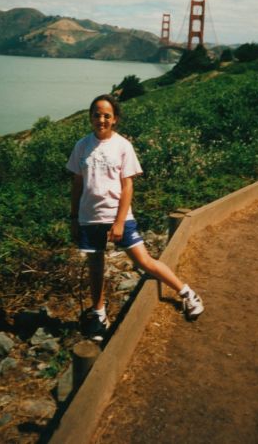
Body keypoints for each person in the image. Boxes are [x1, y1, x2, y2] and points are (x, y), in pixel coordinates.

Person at [66, 93, 204, 341]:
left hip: (118, 216)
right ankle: (99, 314)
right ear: (90, 117)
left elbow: (127, 186)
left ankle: (186, 293)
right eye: (96, 114)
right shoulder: (81, 145)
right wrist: (74, 217)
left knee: (144, 260)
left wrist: (119, 222)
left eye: (107, 115)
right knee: (95, 267)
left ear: (115, 119)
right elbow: (77, 183)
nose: (101, 119)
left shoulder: (122, 146)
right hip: (89, 217)